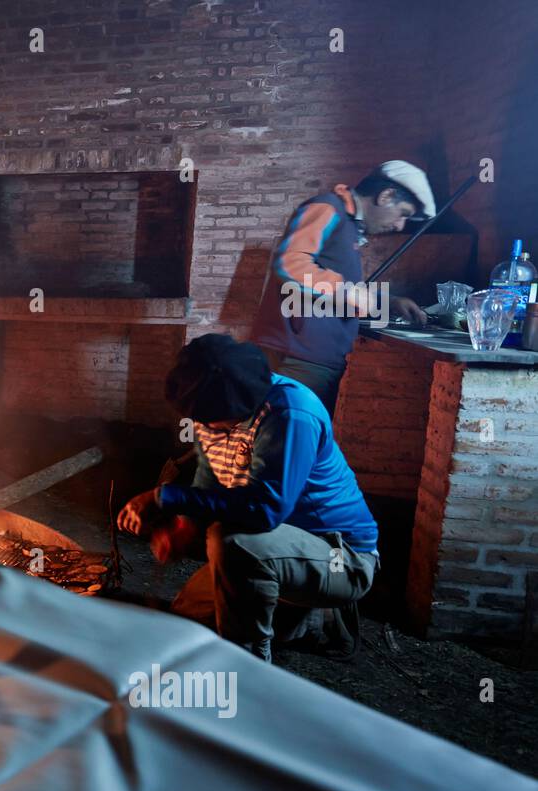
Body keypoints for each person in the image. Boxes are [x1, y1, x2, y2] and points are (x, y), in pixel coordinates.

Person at [118, 334, 380, 663]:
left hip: (339, 555)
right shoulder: (215, 407)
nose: (205, 427)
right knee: (188, 619)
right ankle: (302, 617)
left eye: (211, 421)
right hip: (279, 548)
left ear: (238, 408)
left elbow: (266, 509)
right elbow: (210, 476)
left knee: (231, 543)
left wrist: (166, 497)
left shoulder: (291, 414)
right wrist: (186, 525)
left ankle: (247, 669)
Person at [250, 160, 437, 415]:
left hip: (312, 356)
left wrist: (388, 302)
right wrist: (346, 290)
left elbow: (336, 287)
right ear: (386, 196)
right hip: (297, 357)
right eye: (402, 213)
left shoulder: (348, 225)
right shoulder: (328, 208)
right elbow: (289, 264)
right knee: (286, 442)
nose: (400, 225)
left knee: (295, 440)